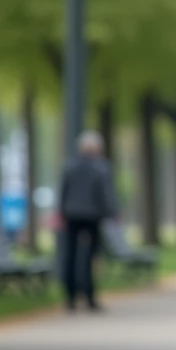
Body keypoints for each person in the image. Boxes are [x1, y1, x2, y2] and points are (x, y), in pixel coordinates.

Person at [57, 131, 118, 313]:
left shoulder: (70, 165)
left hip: (71, 215)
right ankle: (90, 296)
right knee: (92, 256)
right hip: (93, 216)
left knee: (71, 254)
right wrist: (112, 212)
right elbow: (106, 193)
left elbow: (63, 191)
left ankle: (70, 297)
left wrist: (61, 211)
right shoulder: (101, 167)